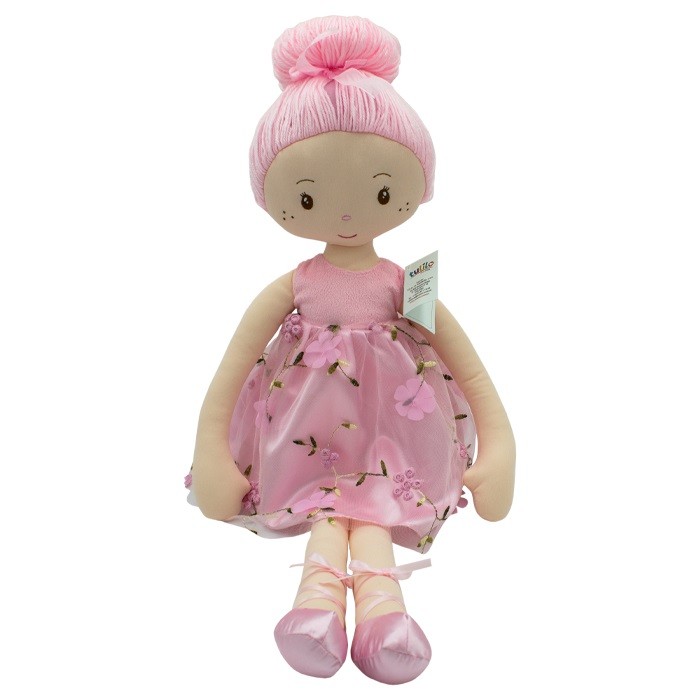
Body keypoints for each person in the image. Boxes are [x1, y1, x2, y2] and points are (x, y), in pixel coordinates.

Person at [187, 15, 515, 685]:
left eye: (381, 191)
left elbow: (470, 367)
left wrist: (501, 443)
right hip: (309, 436)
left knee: (370, 512)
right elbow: (234, 366)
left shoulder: (404, 284)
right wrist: (211, 450)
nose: (342, 213)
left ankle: (379, 616)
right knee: (332, 512)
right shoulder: (296, 285)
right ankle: (323, 607)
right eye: (307, 196)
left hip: (393, 431)